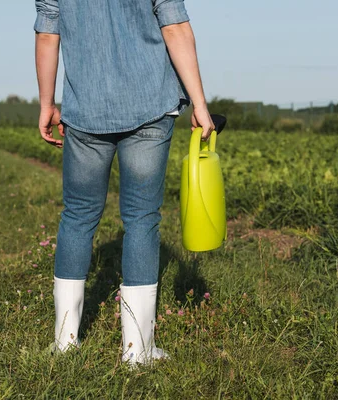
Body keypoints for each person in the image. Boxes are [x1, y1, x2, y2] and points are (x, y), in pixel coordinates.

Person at [34, 0, 214, 366]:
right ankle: (138, 352)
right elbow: (175, 28)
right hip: (149, 105)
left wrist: (47, 102)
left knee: (79, 216)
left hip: (86, 110)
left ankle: (65, 342)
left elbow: (47, 35)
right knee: (142, 218)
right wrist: (199, 103)